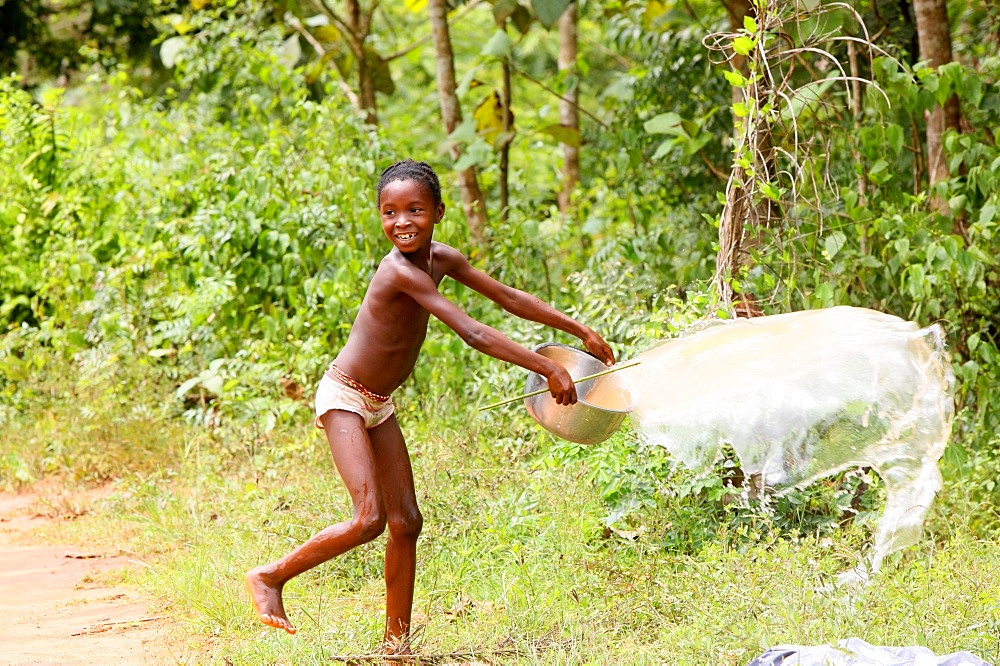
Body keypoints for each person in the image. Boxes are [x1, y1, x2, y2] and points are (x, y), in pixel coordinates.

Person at [244, 159, 615, 652]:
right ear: (379, 217)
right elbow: (472, 330)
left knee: (407, 522)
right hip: (345, 397)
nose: (402, 222)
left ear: (438, 212)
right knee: (369, 518)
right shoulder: (398, 271)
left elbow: (506, 297)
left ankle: (396, 648)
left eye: (414, 210)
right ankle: (270, 576)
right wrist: (546, 366)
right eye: (389, 212)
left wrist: (578, 329)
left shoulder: (442, 259)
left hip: (379, 403)